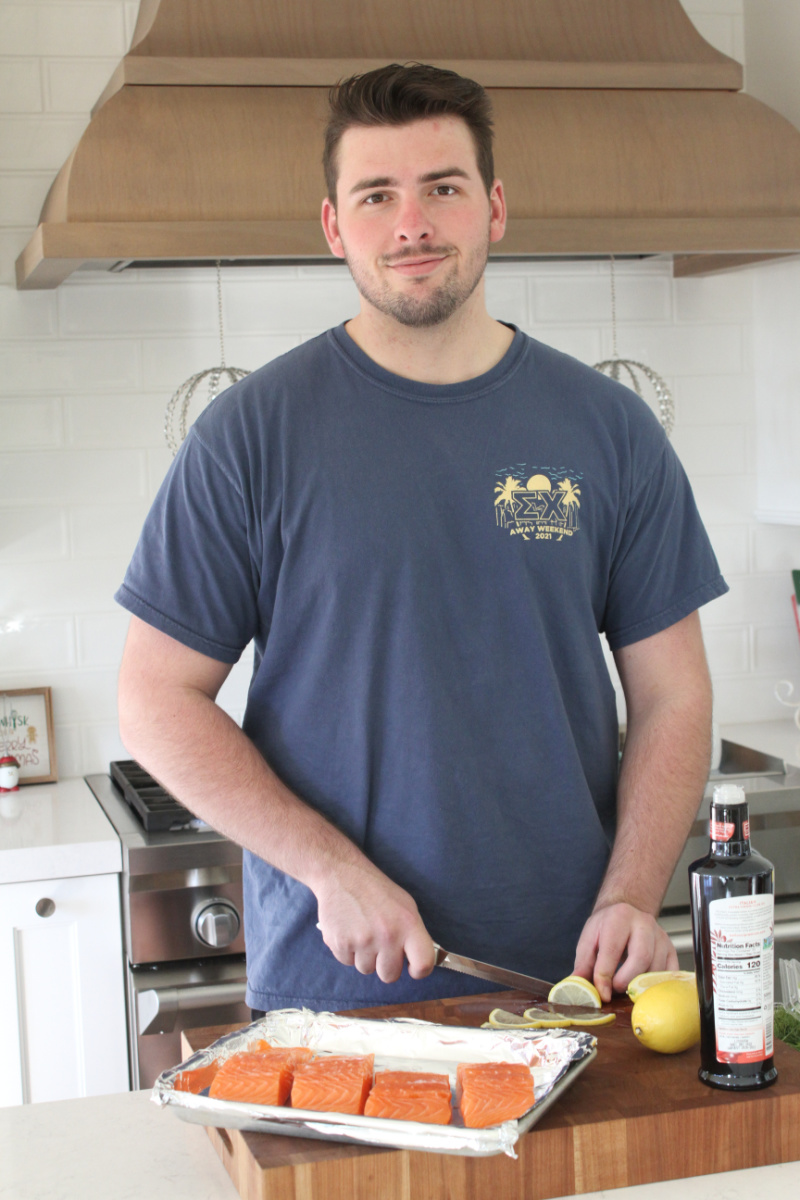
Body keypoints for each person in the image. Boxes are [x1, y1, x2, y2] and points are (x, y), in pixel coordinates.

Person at [116, 62, 727, 1015]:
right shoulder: (250, 436)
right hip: (338, 986)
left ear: (493, 208)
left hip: (567, 980)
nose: (412, 224)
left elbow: (674, 693)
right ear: (334, 227)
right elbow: (154, 698)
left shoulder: (609, 429)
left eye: (442, 188)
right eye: (377, 196)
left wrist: (631, 894)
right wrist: (328, 868)